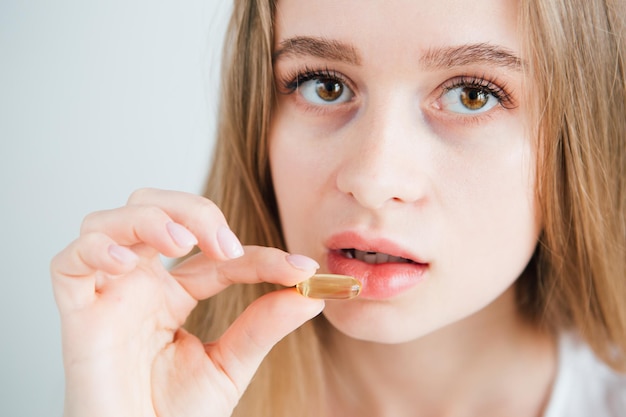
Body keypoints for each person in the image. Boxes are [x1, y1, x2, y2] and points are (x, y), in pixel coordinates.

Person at [50, 0, 626, 416]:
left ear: (582, 133)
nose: (373, 179)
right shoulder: (169, 391)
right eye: (324, 85)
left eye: (472, 94)